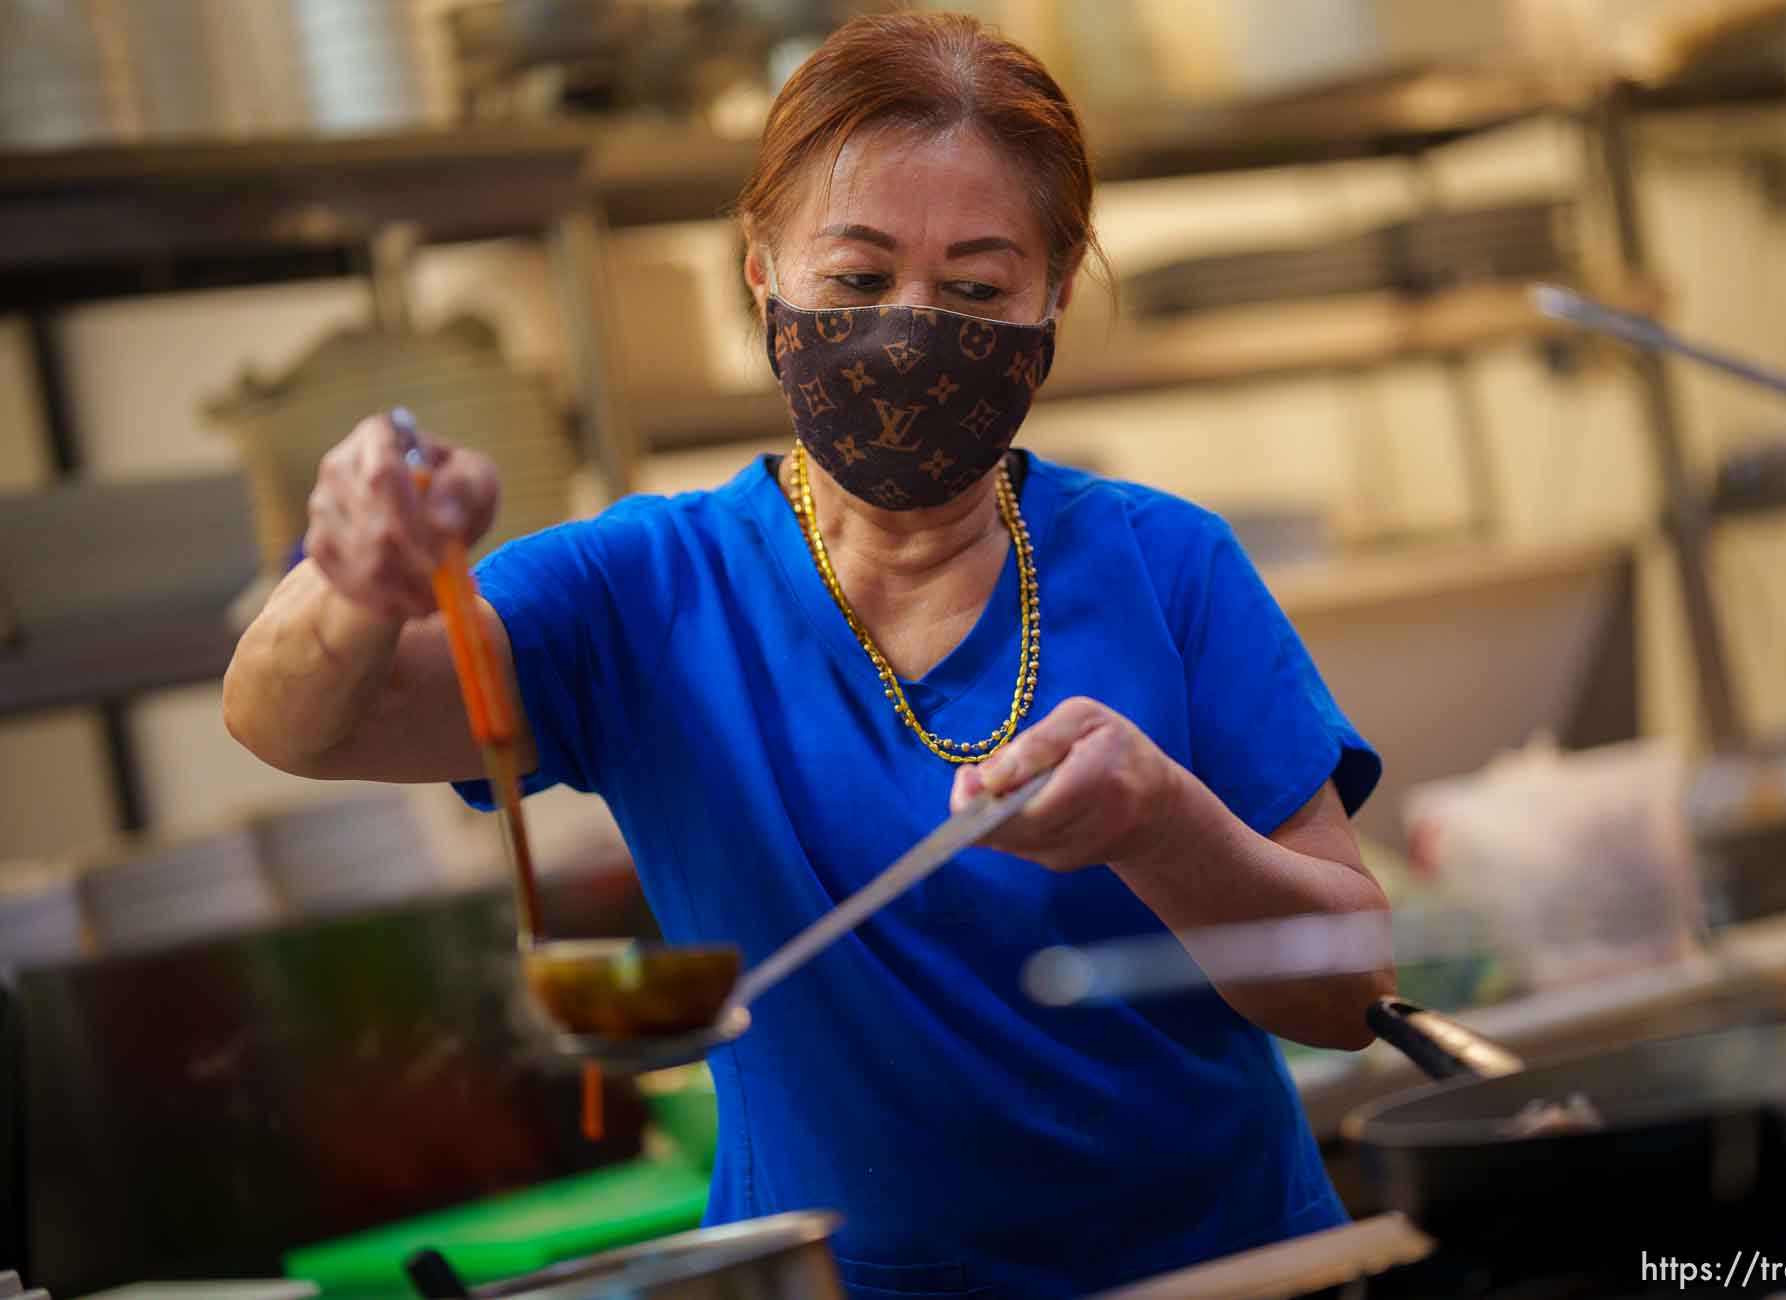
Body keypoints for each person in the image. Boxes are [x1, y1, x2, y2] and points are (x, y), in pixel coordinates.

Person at [224, 12, 1392, 1296]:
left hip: (1228, 1275)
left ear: (1056, 295)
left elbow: (1348, 990)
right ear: (762, 270)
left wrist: (1161, 819)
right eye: (855, 279)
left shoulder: (1168, 567)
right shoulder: (646, 591)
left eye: (975, 291)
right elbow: (297, 722)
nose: (908, 331)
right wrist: (349, 575)